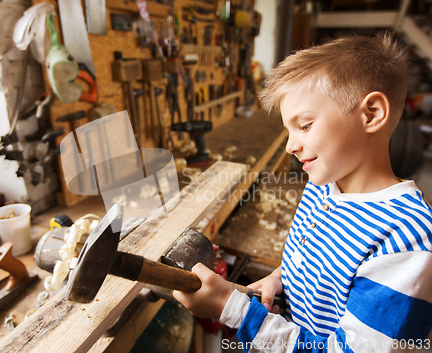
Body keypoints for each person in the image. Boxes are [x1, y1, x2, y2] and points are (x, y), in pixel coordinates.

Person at [173, 33, 432, 352]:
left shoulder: (405, 243)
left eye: (305, 125)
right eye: (288, 129)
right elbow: (317, 264)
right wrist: (281, 279)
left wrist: (234, 310)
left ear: (372, 113)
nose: (290, 146)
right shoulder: (322, 186)